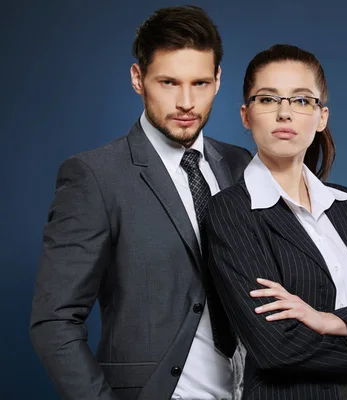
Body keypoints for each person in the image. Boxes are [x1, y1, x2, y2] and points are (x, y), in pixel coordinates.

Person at [29, 6, 252, 400]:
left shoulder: (240, 165)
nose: (186, 102)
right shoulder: (94, 176)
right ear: (138, 79)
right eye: (168, 82)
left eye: (200, 83)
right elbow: (54, 321)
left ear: (218, 80)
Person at [205, 44, 347, 400]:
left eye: (301, 100)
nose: (285, 114)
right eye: (267, 99)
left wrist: (331, 321)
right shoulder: (232, 211)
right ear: (246, 116)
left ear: (321, 117)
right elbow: (277, 348)